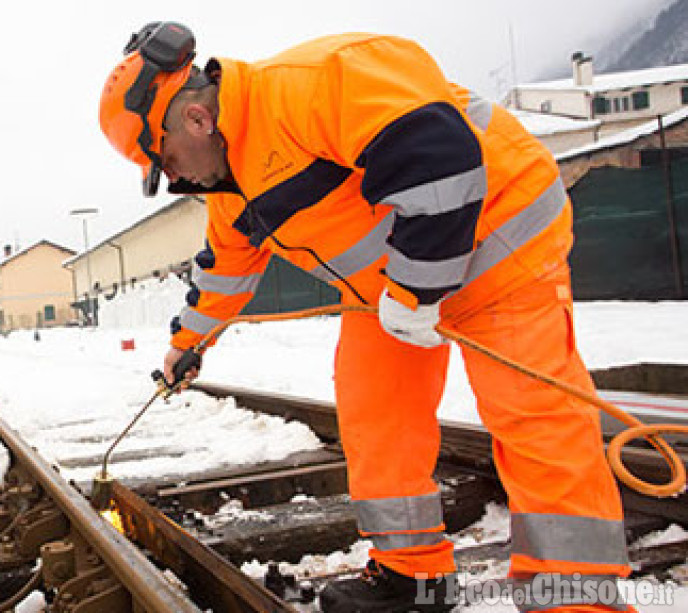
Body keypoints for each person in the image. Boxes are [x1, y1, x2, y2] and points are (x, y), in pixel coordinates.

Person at [100, 23, 633, 613]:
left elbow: (440, 164)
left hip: (498, 240)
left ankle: (579, 597)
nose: (178, 181)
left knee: (533, 420)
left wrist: (415, 291)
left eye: (167, 161)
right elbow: (224, 271)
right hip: (393, 287)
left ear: (196, 121)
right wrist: (185, 344)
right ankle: (413, 576)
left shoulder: (313, 84)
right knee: (375, 413)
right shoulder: (233, 187)